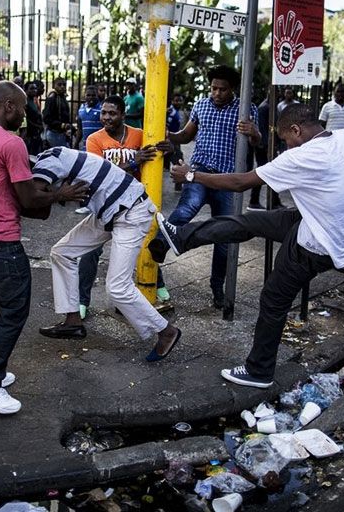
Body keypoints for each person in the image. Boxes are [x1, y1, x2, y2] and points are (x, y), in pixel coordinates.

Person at [151, 104, 344, 388]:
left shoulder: (302, 156)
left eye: (285, 139)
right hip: (322, 223)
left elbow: (241, 183)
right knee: (249, 223)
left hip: (315, 244)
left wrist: (192, 175)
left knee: (273, 300)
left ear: (297, 131)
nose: (285, 146)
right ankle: (180, 236)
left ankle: (259, 371)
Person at [0, 81, 87, 415]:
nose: (26, 114)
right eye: (23, 107)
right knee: (14, 311)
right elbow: (30, 198)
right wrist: (62, 194)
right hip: (1, 243)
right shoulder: (10, 142)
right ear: (9, 106)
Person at [33, 145, 182, 362]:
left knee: (117, 288)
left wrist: (56, 195)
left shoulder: (48, 161)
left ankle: (166, 331)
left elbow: (33, 198)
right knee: (62, 252)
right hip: (112, 212)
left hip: (131, 213)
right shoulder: (50, 158)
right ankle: (73, 322)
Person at [152, 65, 260, 309]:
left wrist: (254, 132)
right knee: (185, 210)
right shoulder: (201, 105)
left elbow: (258, 141)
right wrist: (167, 134)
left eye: (222, 89)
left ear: (232, 89)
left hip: (227, 180)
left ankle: (217, 288)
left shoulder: (246, 109)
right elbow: (186, 135)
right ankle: (160, 243)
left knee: (224, 236)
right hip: (198, 173)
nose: (217, 93)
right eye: (214, 88)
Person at [78, 95, 166, 317]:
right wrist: (134, 160)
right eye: (103, 113)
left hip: (133, 203)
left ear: (122, 115)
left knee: (143, 243)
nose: (106, 117)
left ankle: (157, 282)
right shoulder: (94, 140)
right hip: (105, 203)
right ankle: (81, 301)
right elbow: (101, 175)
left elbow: (157, 153)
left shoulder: (138, 135)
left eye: (112, 113)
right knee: (90, 251)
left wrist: (168, 148)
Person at [42, 77, 71, 147]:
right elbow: (46, 118)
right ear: (54, 86)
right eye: (59, 85)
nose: (62, 87)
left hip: (63, 133)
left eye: (64, 85)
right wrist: (61, 125)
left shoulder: (62, 98)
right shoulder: (52, 98)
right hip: (54, 133)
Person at [74, 85, 102, 151]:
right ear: (85, 96)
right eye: (88, 95)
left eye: (93, 95)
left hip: (98, 147)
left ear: (97, 96)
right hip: (85, 147)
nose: (91, 97)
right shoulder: (81, 109)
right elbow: (80, 129)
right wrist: (76, 144)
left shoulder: (102, 109)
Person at [21, 81, 44, 156]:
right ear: (26, 90)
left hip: (36, 133)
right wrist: (37, 126)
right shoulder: (25, 102)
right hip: (29, 134)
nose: (34, 90)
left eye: (35, 88)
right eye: (31, 88)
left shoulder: (33, 101)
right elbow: (25, 118)